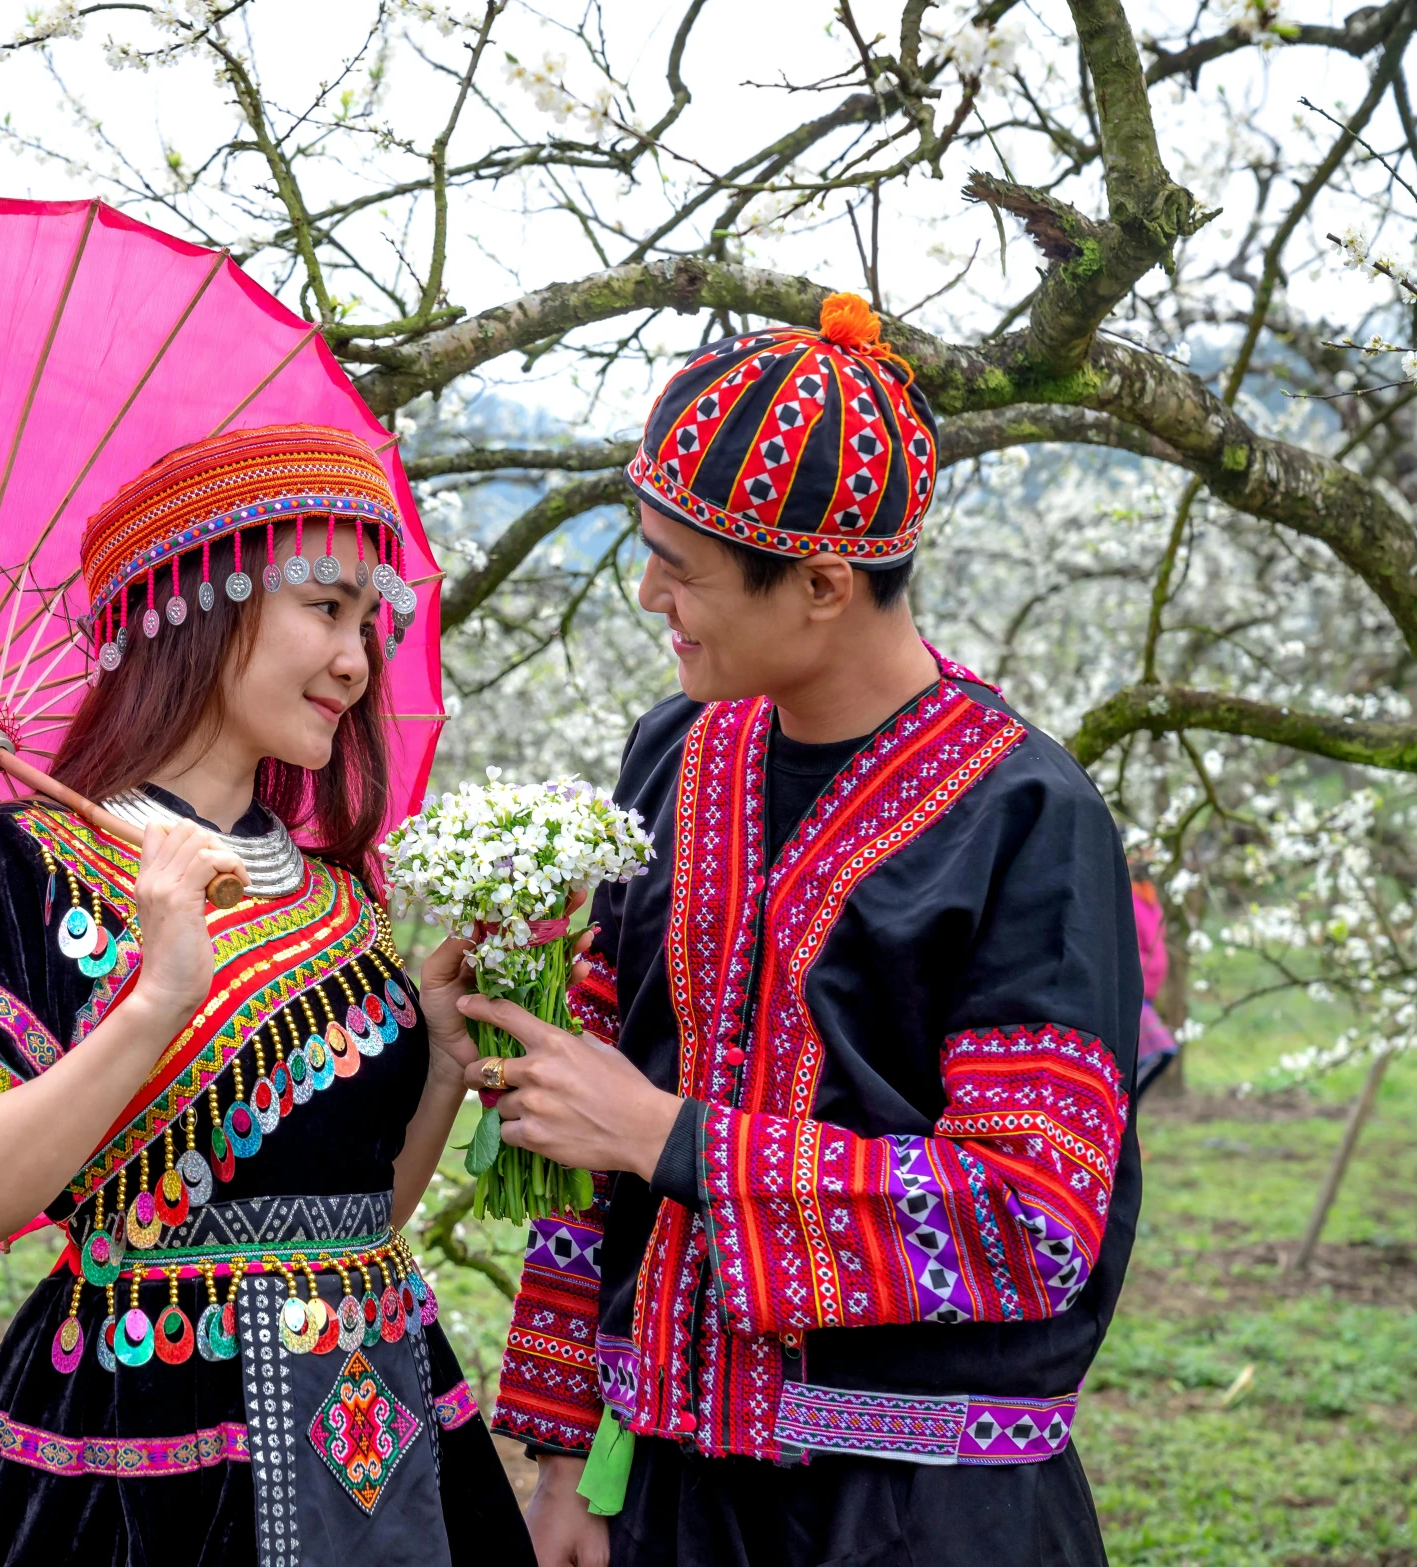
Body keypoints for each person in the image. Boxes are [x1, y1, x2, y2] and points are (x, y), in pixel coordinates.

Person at [462, 296, 1143, 1567]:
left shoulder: (1025, 817)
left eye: (682, 564)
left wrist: (676, 1140)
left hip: (920, 1509)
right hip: (659, 1494)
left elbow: (1035, 1216)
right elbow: (586, 1110)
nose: (651, 593)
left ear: (824, 581)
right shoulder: (673, 757)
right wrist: (562, 1444)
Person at [0, 425, 536, 1567]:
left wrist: (435, 1059)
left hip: (368, 1429)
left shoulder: (338, 890)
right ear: (198, 598)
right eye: (324, 609)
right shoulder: (27, 862)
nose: (356, 660)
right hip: (144, 1459)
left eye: (366, 621)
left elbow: (357, 1219)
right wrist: (154, 1003)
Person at [1131, 862, 1180, 1092]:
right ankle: (1122, 1116)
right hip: (1132, 990)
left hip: (1148, 991)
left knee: (1144, 1058)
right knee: (1159, 1053)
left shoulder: (1149, 899)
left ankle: (1121, 1119)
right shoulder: (1125, 896)